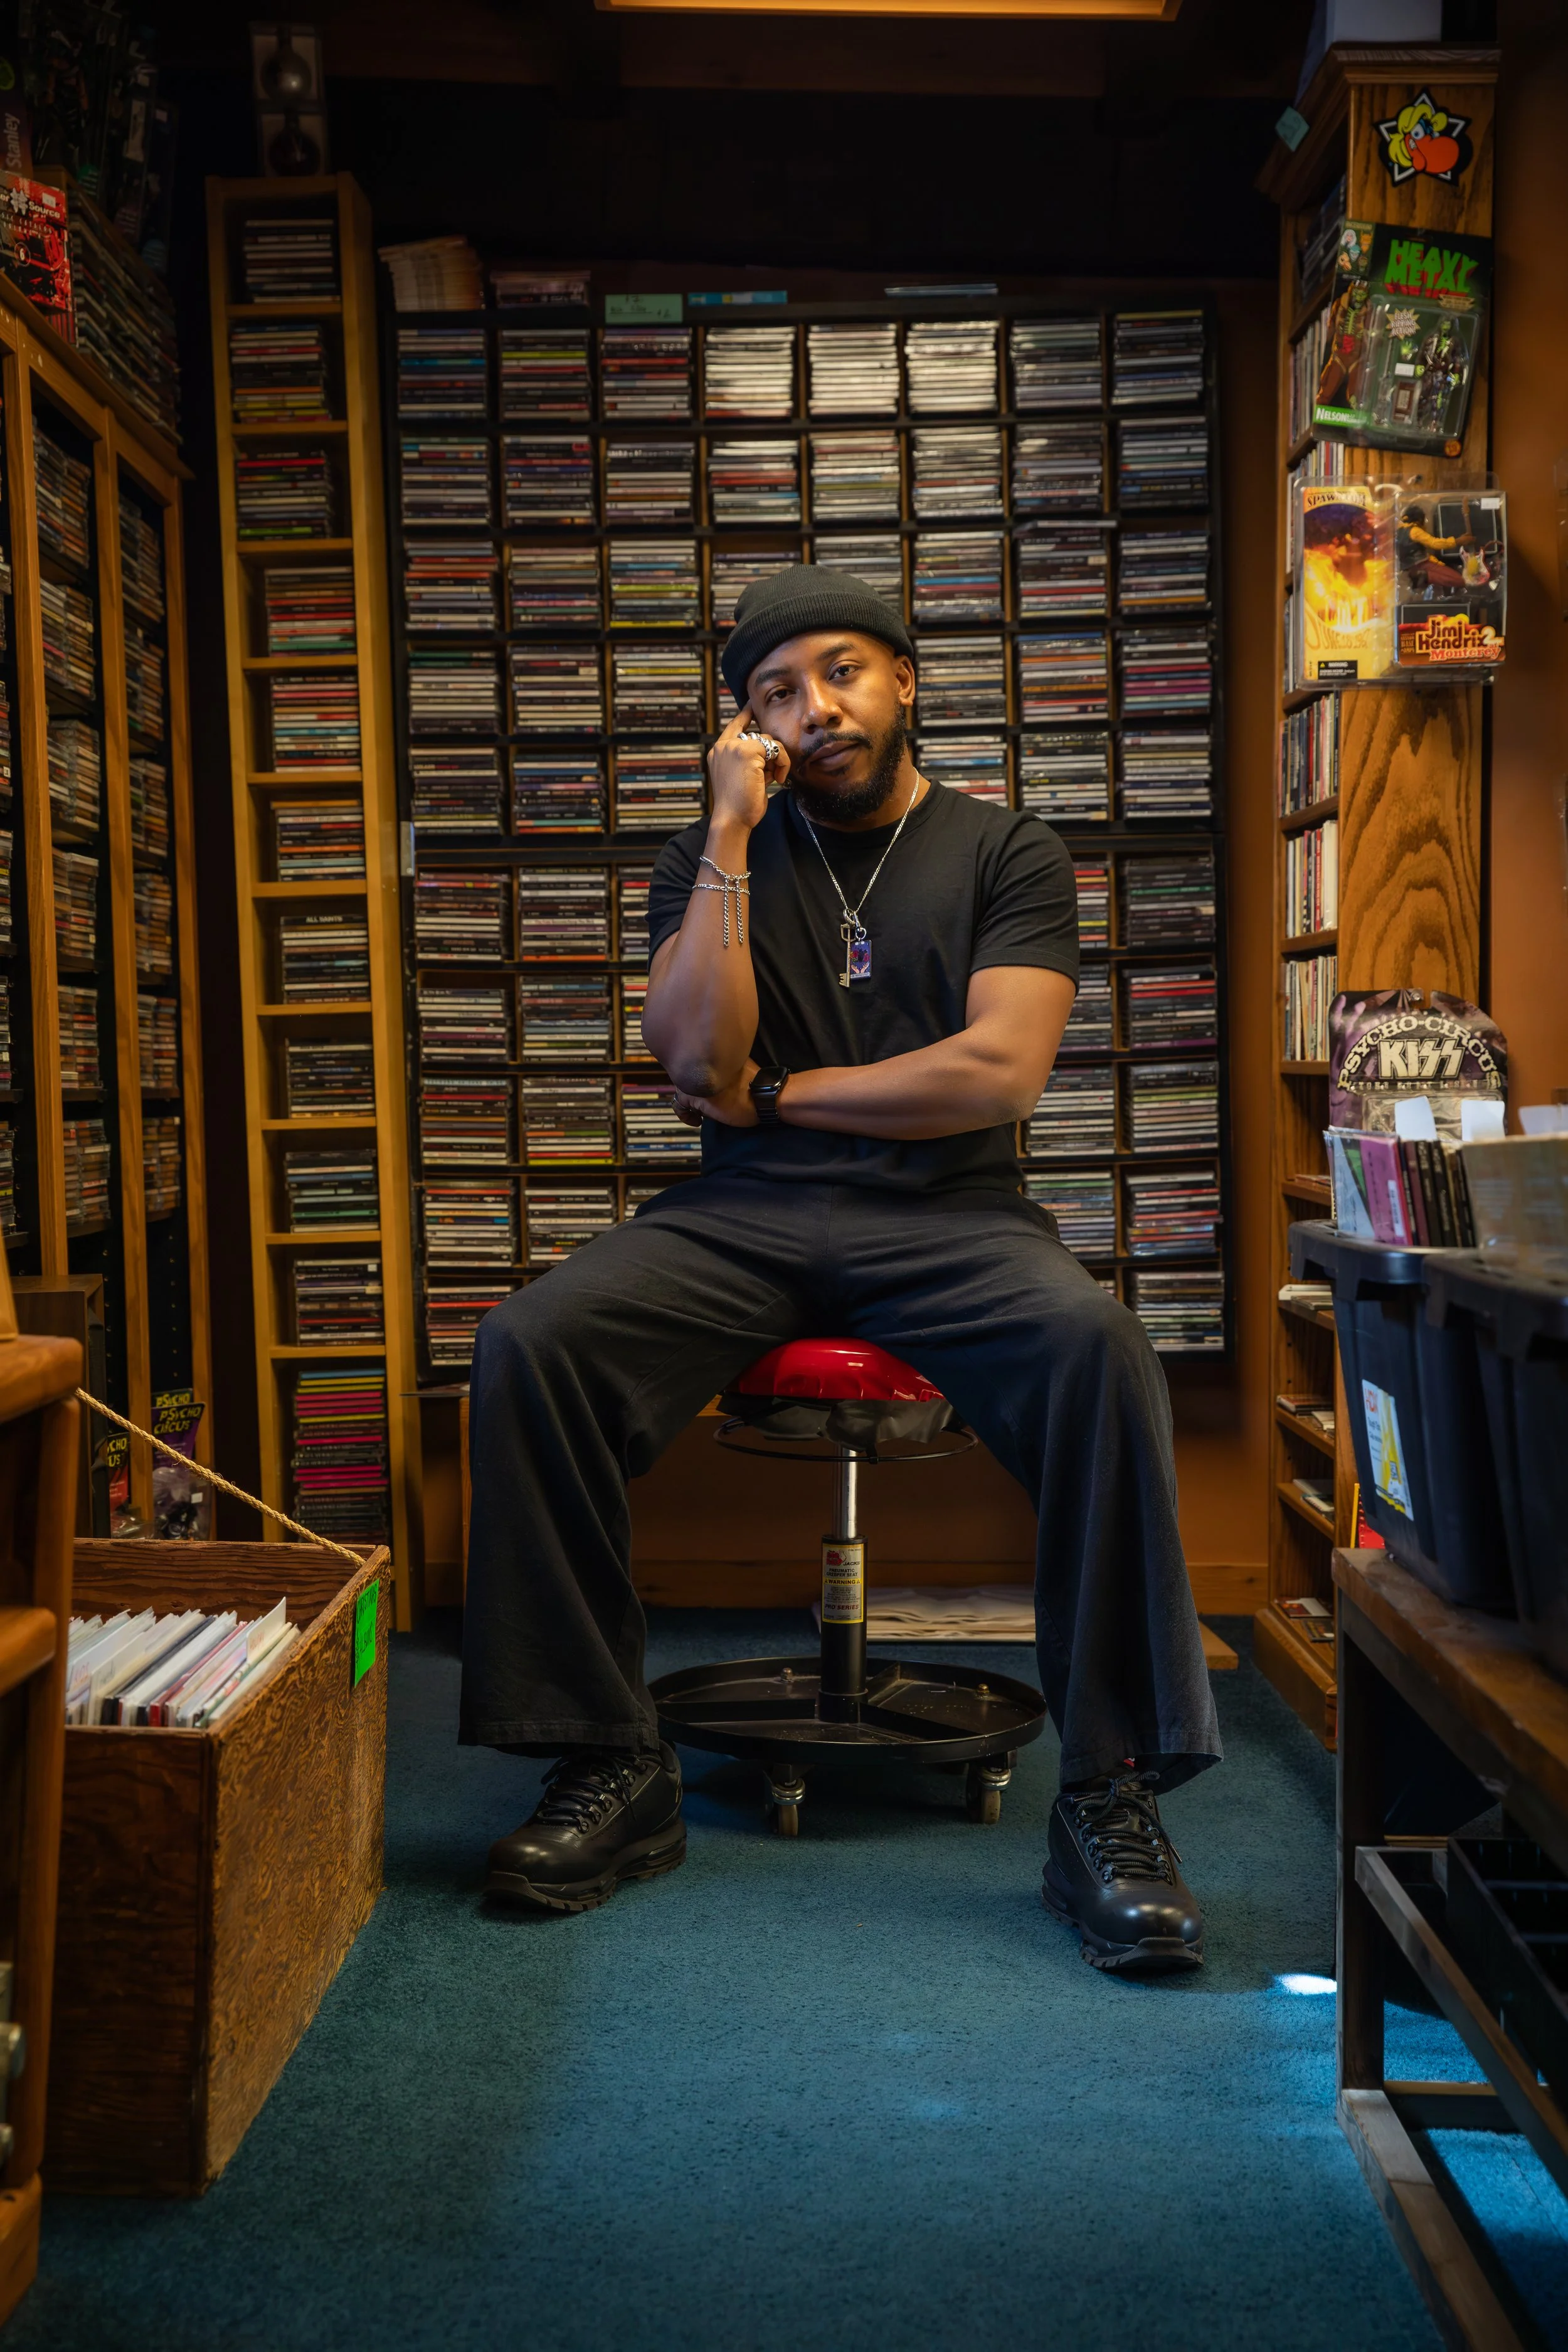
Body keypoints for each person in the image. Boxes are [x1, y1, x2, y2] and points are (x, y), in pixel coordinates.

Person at [462, 566, 1221, 1973]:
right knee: (531, 1344)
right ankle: (606, 1758)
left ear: (903, 680)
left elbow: (996, 1074)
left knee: (1100, 1350)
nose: (812, 709)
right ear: (744, 727)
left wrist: (783, 1092)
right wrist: (728, 835)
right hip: (741, 1214)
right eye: (774, 693)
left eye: (840, 672)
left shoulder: (1006, 850)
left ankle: (1108, 1793)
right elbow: (695, 1061)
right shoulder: (708, 857)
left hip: (954, 1216)